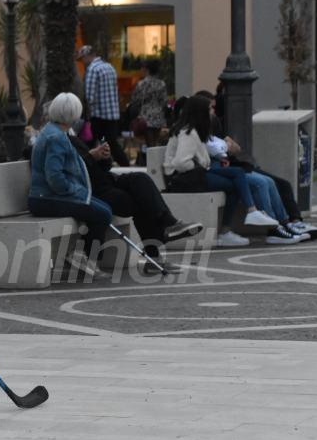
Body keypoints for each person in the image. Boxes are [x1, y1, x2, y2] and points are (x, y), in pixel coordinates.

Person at [66, 130, 203, 275]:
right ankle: (155, 253)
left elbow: (101, 167)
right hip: (92, 190)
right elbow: (72, 170)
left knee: (141, 179)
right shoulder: (58, 140)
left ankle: (169, 223)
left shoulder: (74, 139)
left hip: (109, 180)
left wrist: (104, 157)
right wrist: (91, 156)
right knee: (140, 201)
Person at [196, 90, 317, 242]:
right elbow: (216, 150)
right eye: (211, 108)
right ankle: (273, 229)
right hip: (222, 169)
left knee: (277, 183)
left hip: (234, 165)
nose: (214, 111)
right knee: (261, 183)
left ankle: (286, 223)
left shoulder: (213, 123)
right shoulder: (196, 129)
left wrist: (223, 146)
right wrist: (224, 146)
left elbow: (234, 148)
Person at [163, 95, 280, 247]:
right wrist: (198, 166)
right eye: (209, 109)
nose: (212, 112)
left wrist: (201, 165)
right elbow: (180, 163)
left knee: (237, 173)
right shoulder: (188, 133)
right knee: (234, 186)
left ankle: (251, 213)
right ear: (200, 112)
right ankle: (232, 227)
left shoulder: (193, 130)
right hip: (185, 179)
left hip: (196, 174)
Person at [28, 92, 112, 273]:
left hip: (46, 196)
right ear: (74, 114)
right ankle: (88, 259)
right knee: (102, 214)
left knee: (104, 209)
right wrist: (72, 190)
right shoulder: (57, 137)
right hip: (47, 198)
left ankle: (81, 255)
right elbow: (54, 176)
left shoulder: (53, 132)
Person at [76, 45, 130, 166]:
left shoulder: (92, 70)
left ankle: (86, 166)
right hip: (113, 114)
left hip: (99, 115)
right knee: (110, 142)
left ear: (87, 56)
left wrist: (84, 113)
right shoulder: (109, 67)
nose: (82, 63)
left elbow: (90, 97)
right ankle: (118, 165)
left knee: (91, 142)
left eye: (82, 59)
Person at [130, 59, 168, 165]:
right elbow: (164, 101)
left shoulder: (141, 84)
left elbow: (135, 100)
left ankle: (151, 164)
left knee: (149, 144)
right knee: (156, 142)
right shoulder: (161, 84)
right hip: (158, 116)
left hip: (145, 116)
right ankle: (157, 164)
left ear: (147, 69)